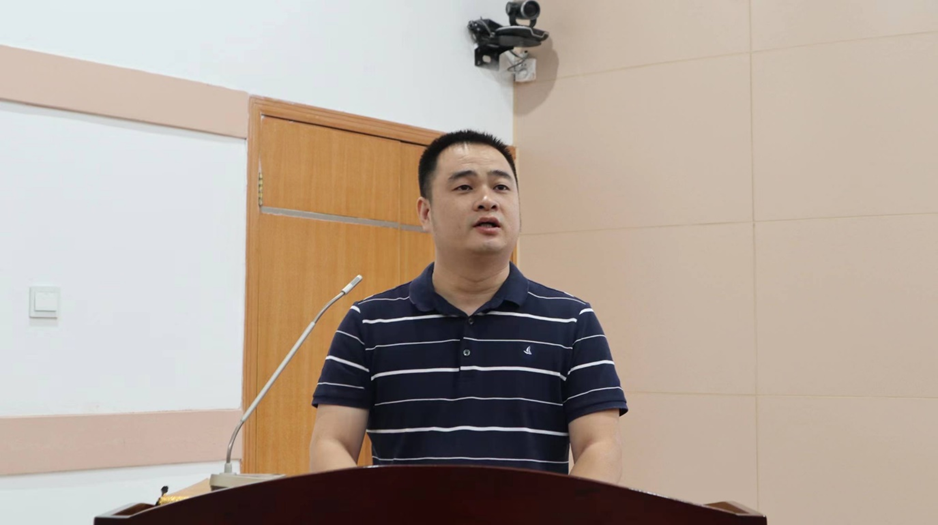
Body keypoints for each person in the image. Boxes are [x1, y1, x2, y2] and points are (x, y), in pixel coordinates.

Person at [308, 130, 627, 483]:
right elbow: (332, 442)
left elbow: (600, 447)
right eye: (465, 187)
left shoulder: (572, 321)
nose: (487, 200)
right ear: (425, 212)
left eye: (501, 187)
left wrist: (566, 512)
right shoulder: (368, 323)